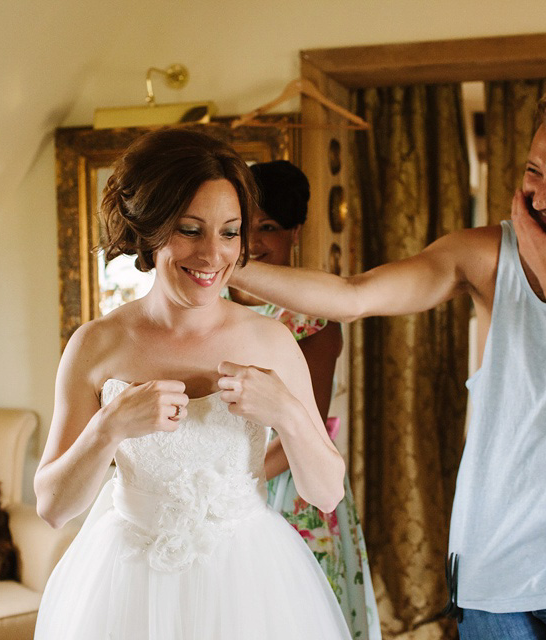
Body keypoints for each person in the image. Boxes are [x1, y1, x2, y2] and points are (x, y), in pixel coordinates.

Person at [229, 80, 546, 638]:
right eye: (533, 171)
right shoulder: (482, 254)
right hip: (489, 561)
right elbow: (353, 297)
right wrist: (219, 266)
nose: (539, 196)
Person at [33, 128, 351, 639]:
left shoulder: (271, 341)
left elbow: (326, 492)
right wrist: (109, 428)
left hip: (250, 590)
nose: (211, 255)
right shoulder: (96, 345)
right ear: (151, 228)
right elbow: (52, 506)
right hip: (127, 590)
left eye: (229, 232)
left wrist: (287, 415)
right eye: (189, 229)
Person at [227, 160, 381, 639]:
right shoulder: (211, 310)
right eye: (242, 229)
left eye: (268, 227)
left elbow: (304, 427)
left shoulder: (312, 319)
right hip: (226, 479)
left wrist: (231, 479)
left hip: (291, 484)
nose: (253, 244)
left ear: (295, 231)